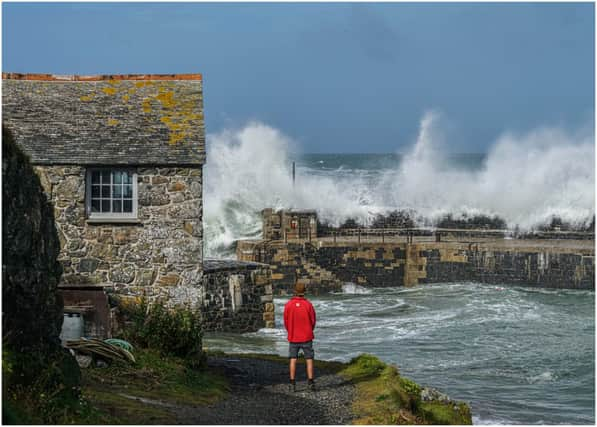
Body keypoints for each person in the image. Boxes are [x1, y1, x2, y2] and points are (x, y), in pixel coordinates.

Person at [283, 281, 317, 392]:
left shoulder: (289, 305)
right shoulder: (308, 304)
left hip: (293, 336)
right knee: (309, 359)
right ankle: (311, 382)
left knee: (293, 359)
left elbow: (286, 321)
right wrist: (309, 330)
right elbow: (313, 321)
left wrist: (290, 331)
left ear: (294, 291)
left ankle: (292, 383)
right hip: (306, 336)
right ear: (304, 291)